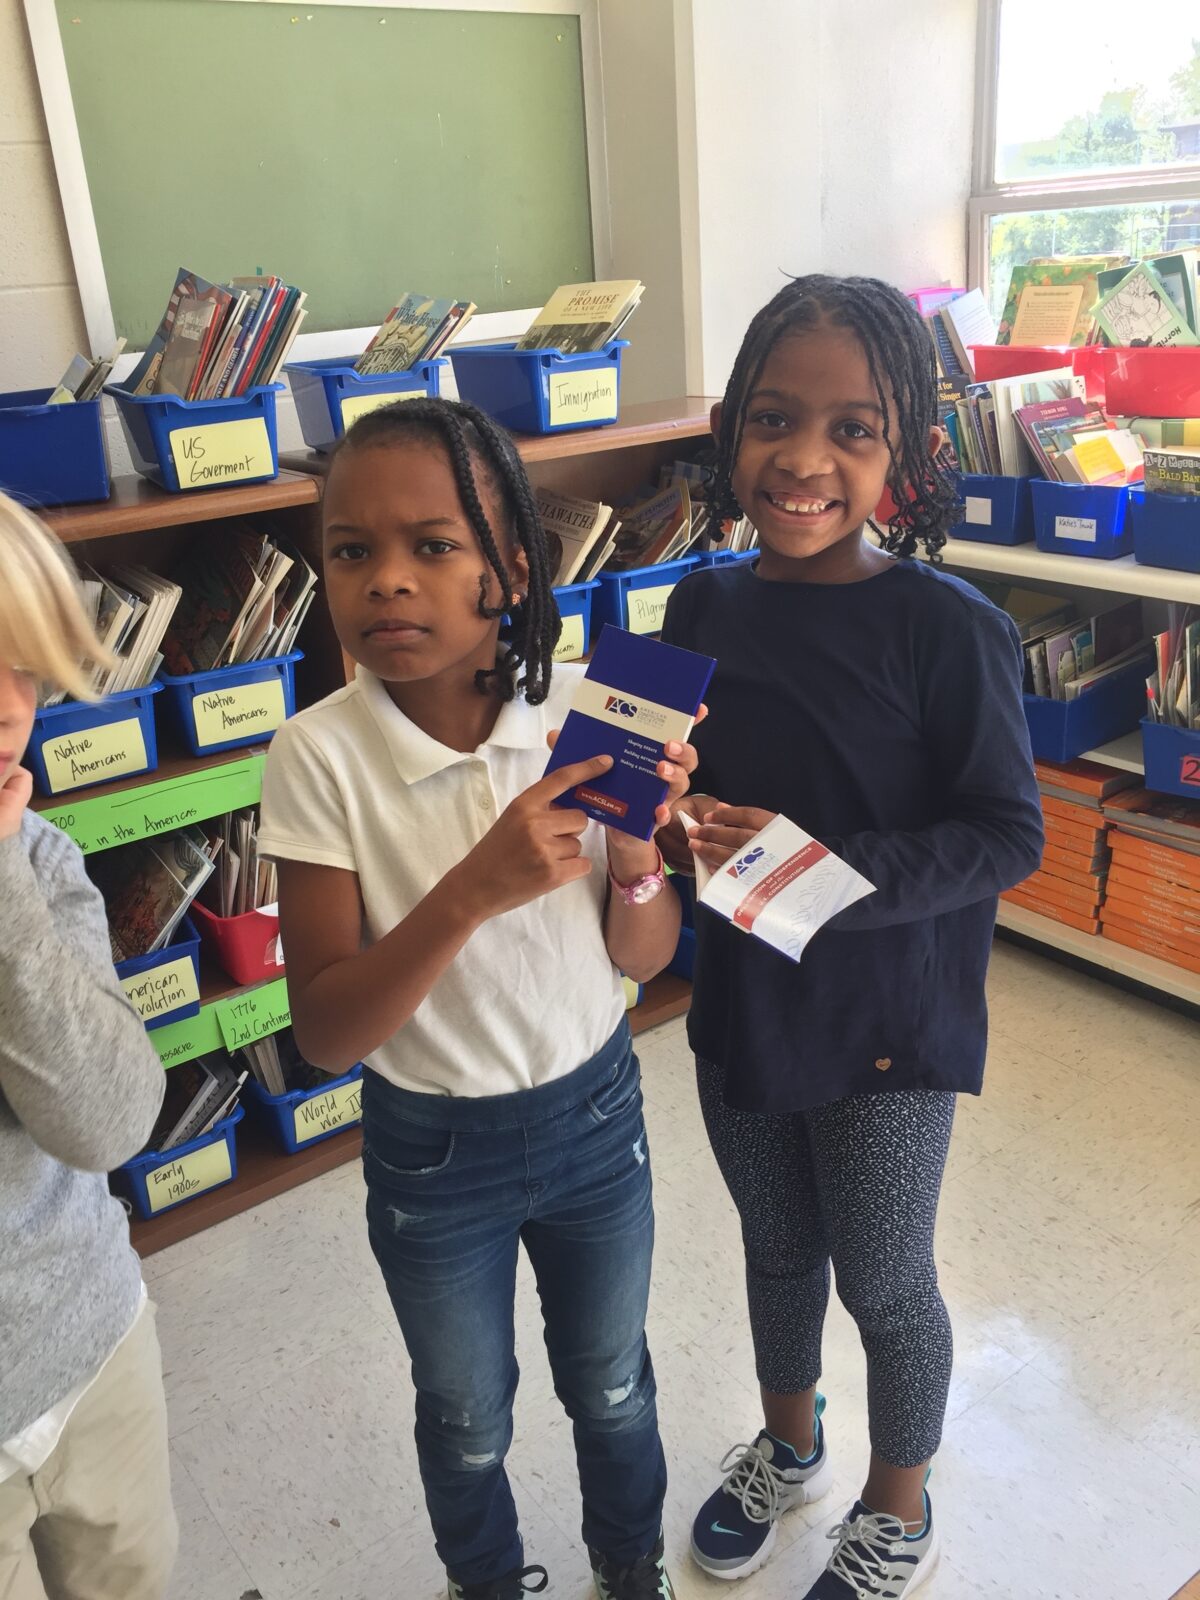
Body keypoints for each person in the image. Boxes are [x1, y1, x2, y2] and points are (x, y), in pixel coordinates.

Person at [258, 397, 700, 1600]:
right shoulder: (317, 755)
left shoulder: (583, 718)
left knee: (613, 1380)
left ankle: (630, 1565)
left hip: (595, 1117)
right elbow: (326, 1031)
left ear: (508, 570)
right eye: (352, 550)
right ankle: (486, 1578)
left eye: (433, 545)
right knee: (464, 1414)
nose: (388, 580)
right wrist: (470, 891)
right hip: (432, 1150)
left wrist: (639, 849)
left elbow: (646, 953)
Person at [658, 275, 1043, 1599]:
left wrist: (814, 868)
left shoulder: (954, 628)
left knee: (884, 1279)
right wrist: (661, 819)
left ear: (906, 453)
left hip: (887, 1020)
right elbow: (670, 790)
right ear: (731, 429)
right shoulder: (699, 608)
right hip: (743, 1001)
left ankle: (899, 1504)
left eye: (852, 429)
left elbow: (1006, 834)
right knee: (776, 1247)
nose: (804, 458)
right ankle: (790, 1442)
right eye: (773, 418)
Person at [0, 494, 177, 1600]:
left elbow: (109, 1120)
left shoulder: (39, 859)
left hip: (91, 1342)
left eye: (22, 667)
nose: (5, 708)